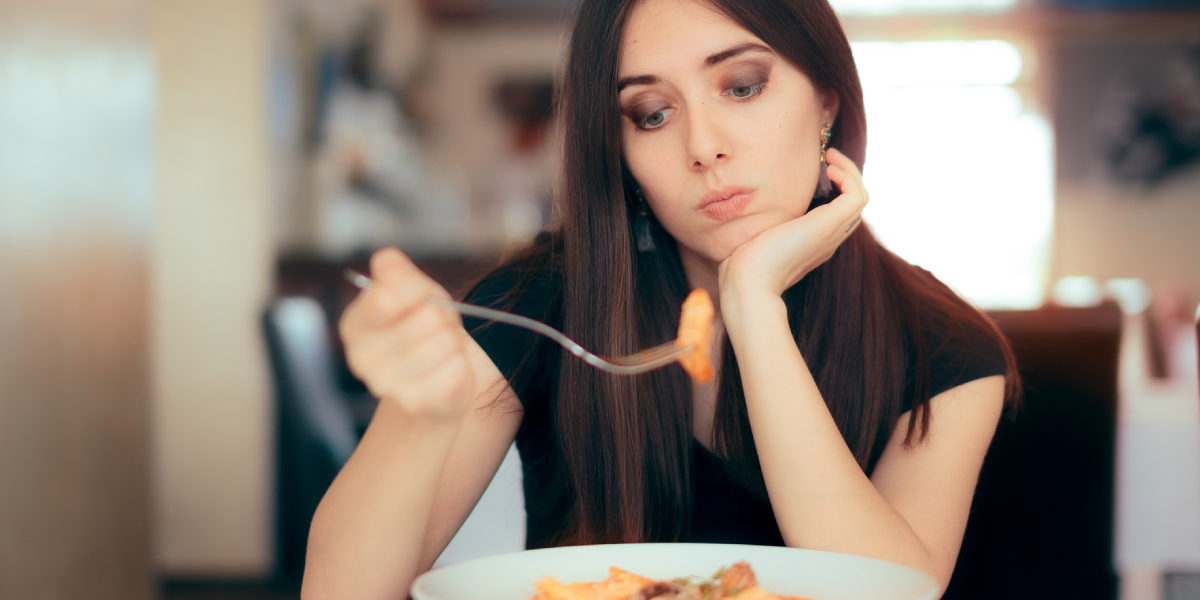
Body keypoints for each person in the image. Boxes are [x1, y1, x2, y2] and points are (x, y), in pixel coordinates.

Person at [301, 0, 1020, 598]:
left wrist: (753, 304)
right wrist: (419, 416)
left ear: (826, 100)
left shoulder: (946, 347)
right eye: (650, 113)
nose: (703, 146)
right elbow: (339, 590)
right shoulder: (542, 300)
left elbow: (881, 590)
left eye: (742, 86)